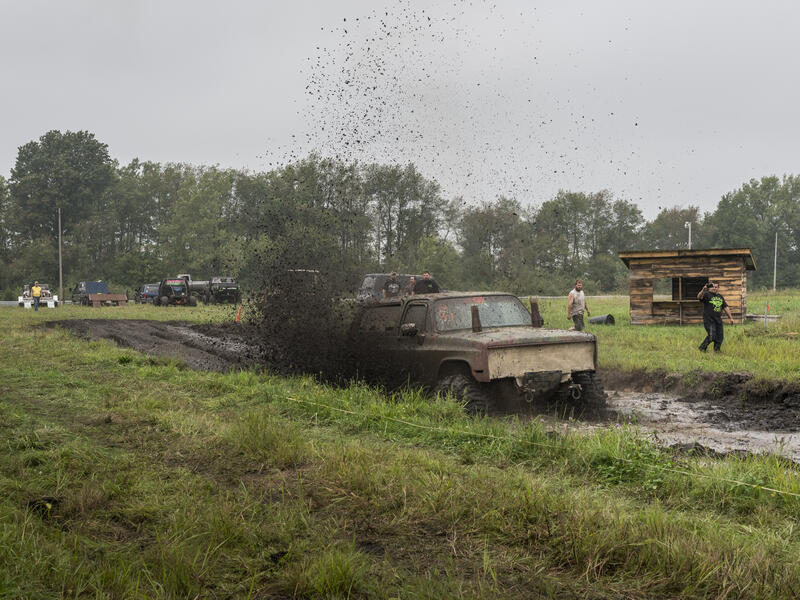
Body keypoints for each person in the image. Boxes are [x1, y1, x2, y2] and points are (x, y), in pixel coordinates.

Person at [697, 281, 735, 352]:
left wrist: (731, 318)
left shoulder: (720, 296)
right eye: (713, 287)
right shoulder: (706, 294)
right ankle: (702, 348)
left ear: (718, 288)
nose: (714, 288)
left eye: (716, 287)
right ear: (710, 288)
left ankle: (717, 350)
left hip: (718, 319)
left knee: (720, 337)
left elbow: (725, 307)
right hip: (709, 320)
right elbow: (699, 297)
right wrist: (703, 290)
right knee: (712, 336)